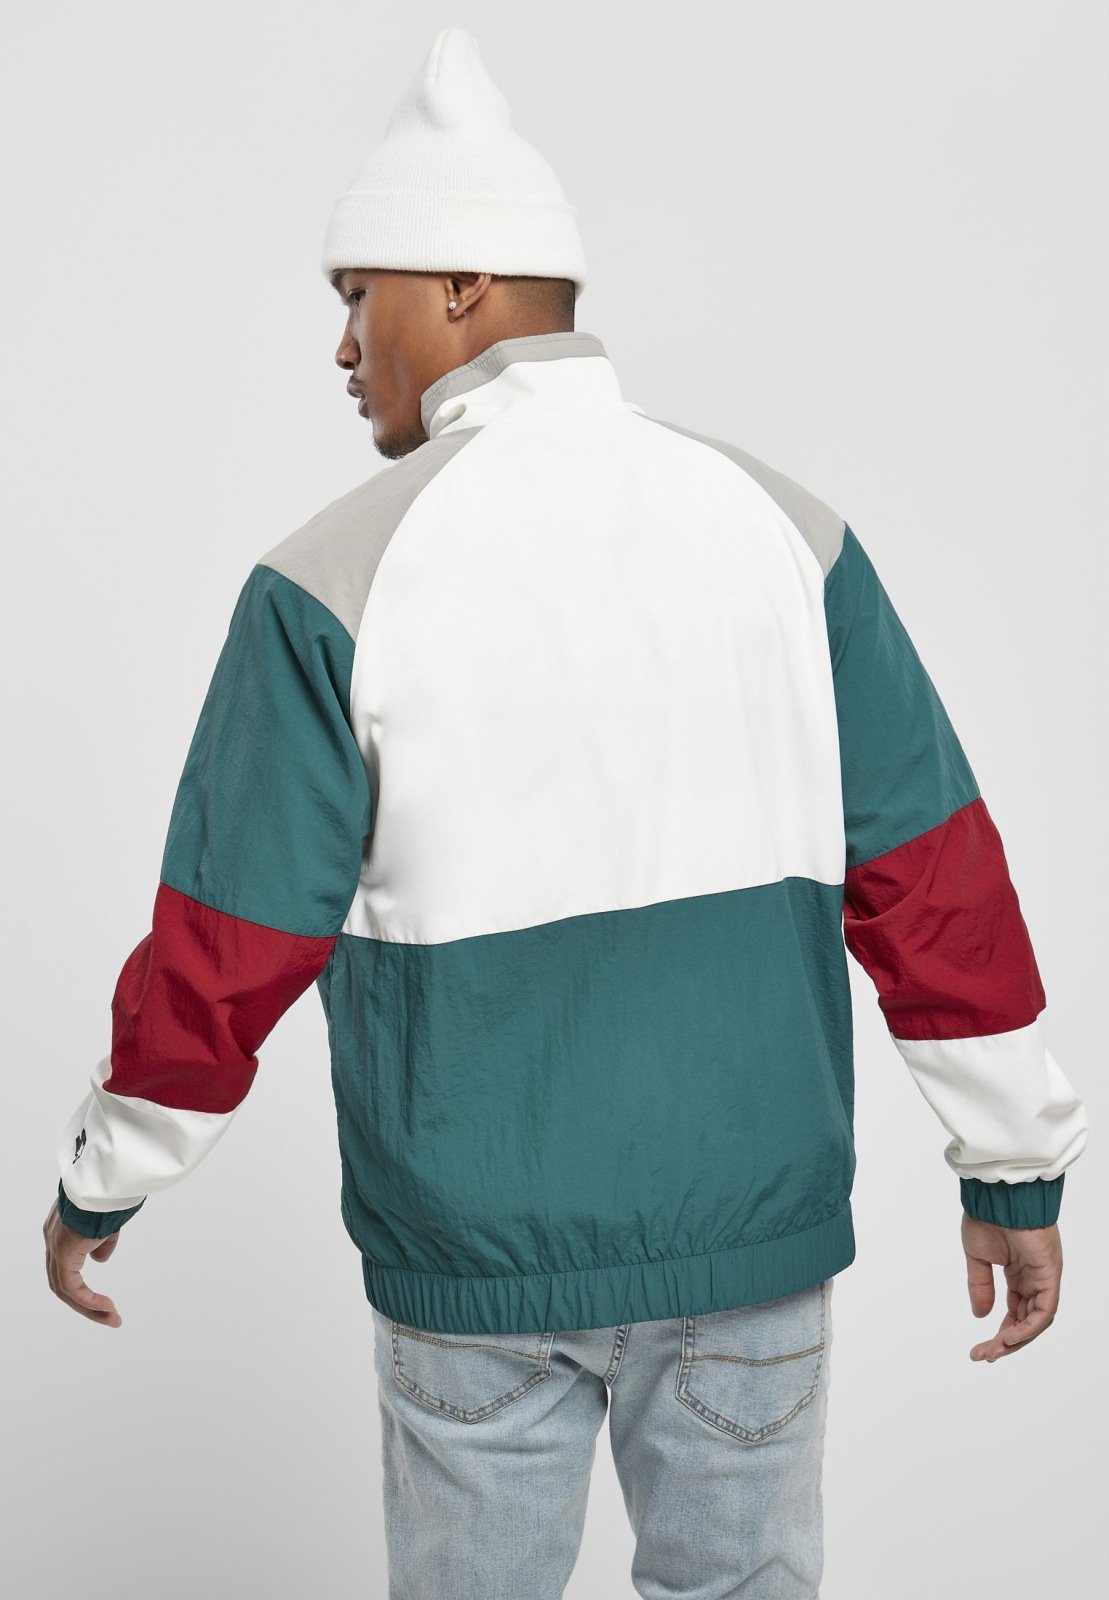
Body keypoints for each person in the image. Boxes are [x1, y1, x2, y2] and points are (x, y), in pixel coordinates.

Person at [44, 25, 1088, 1600]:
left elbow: (228, 941)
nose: (342, 348)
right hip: (747, 1244)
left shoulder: (327, 581)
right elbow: (932, 881)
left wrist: (104, 1176)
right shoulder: (782, 531)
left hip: (474, 1269)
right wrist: (1009, 1167)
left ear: (463, 282)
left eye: (357, 294)